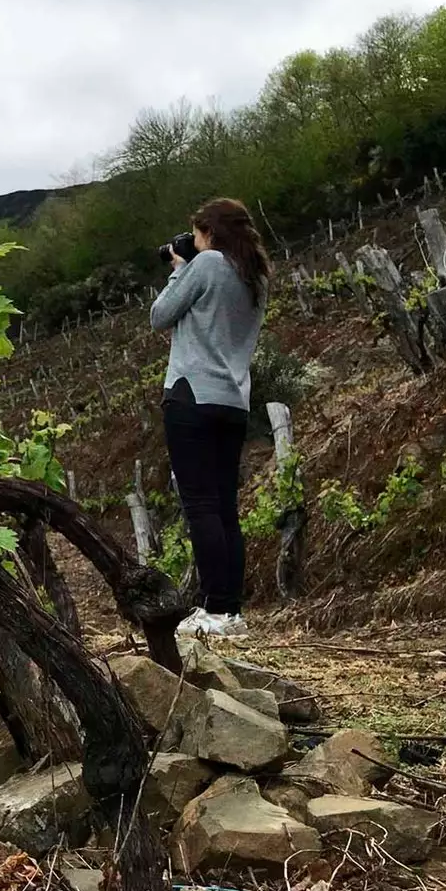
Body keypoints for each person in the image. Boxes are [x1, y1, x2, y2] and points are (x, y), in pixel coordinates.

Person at [149, 197, 271, 637]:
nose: (194, 242)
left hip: (191, 395)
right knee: (225, 509)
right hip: (233, 400)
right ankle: (229, 611)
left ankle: (213, 610)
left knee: (199, 505)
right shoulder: (254, 275)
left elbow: (159, 316)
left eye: (197, 234)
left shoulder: (207, 264)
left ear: (210, 233)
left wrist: (181, 266)